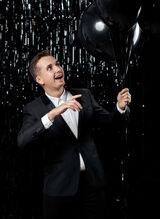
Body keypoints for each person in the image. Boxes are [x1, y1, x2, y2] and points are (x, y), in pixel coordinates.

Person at [17, 49, 131, 219]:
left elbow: (108, 125)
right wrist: (53, 114)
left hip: (92, 183)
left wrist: (119, 108)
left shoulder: (84, 95)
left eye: (57, 64)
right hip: (59, 188)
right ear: (39, 79)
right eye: (49, 67)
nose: (57, 69)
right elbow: (23, 141)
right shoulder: (33, 109)